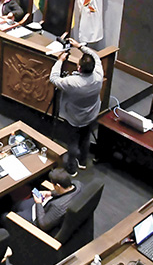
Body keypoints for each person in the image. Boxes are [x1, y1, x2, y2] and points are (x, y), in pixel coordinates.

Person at [51, 38, 103, 174]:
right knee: (85, 138)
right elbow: (96, 57)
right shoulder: (98, 75)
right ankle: (83, 162)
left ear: (79, 68)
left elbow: (54, 79)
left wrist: (60, 61)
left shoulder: (73, 82)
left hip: (74, 117)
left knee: (72, 142)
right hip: (90, 114)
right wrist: (80, 46)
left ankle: (71, 168)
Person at [12, 169, 83, 234]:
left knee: (7, 216)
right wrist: (51, 193)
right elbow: (64, 191)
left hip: (39, 218)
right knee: (19, 205)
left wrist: (38, 202)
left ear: (58, 186)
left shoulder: (58, 207)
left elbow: (43, 225)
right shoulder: (77, 184)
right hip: (47, 204)